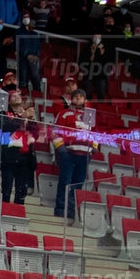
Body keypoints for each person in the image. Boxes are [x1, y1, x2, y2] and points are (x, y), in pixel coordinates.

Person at [51, 87, 92, 221]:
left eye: (81, 97)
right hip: (68, 153)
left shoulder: (90, 116)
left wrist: (94, 148)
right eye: (76, 96)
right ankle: (60, 210)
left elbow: (96, 134)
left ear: (85, 100)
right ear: (71, 99)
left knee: (78, 185)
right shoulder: (64, 114)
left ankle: (71, 211)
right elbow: (55, 132)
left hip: (84, 155)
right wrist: (60, 148)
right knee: (65, 181)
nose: (78, 98)